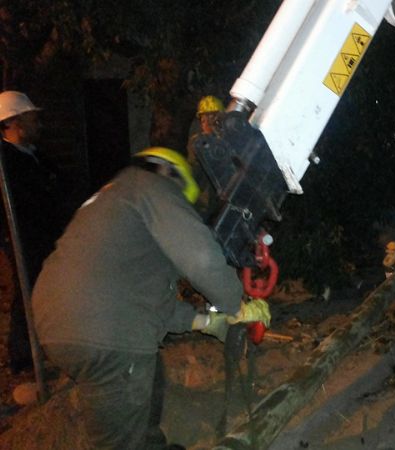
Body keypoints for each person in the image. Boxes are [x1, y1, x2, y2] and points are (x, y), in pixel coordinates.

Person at [31, 147, 268, 449]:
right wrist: (236, 305)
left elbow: (145, 301)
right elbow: (200, 257)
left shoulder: (116, 201)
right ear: (176, 177)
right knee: (118, 440)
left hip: (61, 324)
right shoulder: (152, 186)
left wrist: (207, 322)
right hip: (106, 331)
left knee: (144, 375)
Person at [0, 90, 70, 374]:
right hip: (25, 238)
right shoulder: (7, 162)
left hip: (45, 236)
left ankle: (45, 348)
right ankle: (22, 357)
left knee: (47, 293)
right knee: (28, 293)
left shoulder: (33, 156)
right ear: (14, 122)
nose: (38, 124)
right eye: (31, 118)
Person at [187, 95, 225, 222]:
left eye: (213, 118)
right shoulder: (197, 142)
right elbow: (194, 169)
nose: (208, 123)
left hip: (224, 199)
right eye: (204, 119)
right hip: (204, 203)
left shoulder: (229, 140)